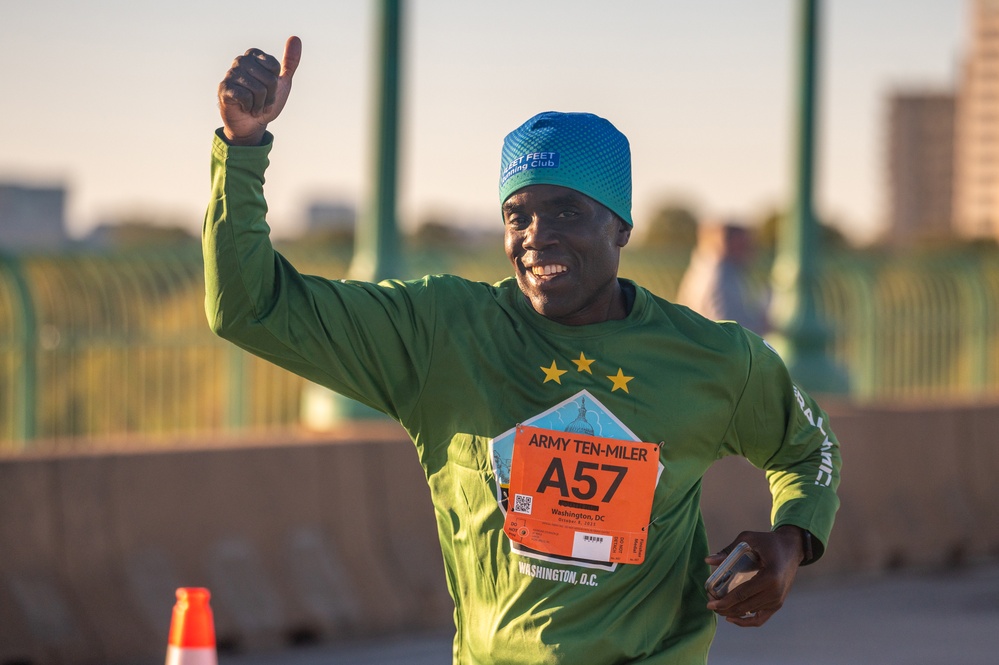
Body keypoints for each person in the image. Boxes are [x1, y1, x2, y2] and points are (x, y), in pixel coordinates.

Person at [205, 36, 841, 665]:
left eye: (566, 213)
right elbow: (252, 308)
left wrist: (791, 540)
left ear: (620, 226)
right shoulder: (442, 331)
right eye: (519, 216)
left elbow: (810, 446)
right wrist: (242, 147)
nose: (538, 239)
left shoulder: (711, 356)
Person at [675, 219, 770, 335]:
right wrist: (764, 322)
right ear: (729, 244)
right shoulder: (719, 277)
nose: (753, 251)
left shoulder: (704, 270)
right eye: (745, 245)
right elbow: (732, 330)